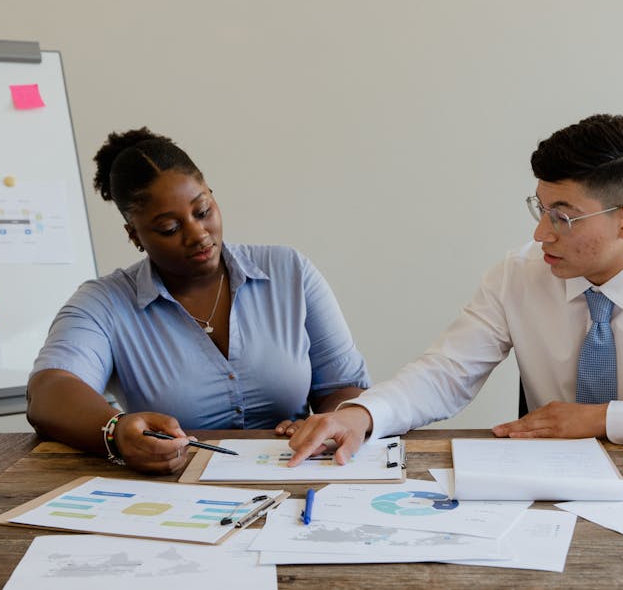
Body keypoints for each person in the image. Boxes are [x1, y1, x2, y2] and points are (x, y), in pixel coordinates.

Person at [288, 113, 623, 465]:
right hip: (545, 493)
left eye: (564, 216)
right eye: (541, 208)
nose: (541, 234)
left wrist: (603, 420)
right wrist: (364, 413)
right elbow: (445, 372)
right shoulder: (519, 275)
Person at [27, 127, 369, 473]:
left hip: (296, 475)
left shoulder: (289, 271)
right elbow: (48, 394)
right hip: (174, 489)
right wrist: (116, 431)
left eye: (202, 211)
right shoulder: (104, 303)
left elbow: (344, 385)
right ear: (135, 235)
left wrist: (329, 423)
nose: (198, 234)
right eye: (170, 229)